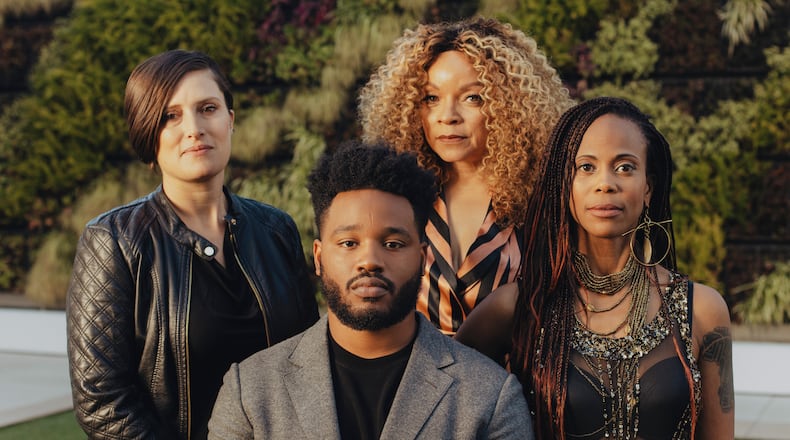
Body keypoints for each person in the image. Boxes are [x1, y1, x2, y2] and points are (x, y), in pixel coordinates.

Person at [66, 49, 319, 439]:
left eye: (208, 108)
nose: (194, 128)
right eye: (171, 115)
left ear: (230, 121)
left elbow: (309, 362)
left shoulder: (276, 230)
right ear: (148, 133)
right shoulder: (114, 241)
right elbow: (102, 400)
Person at [208, 142, 534, 439]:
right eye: (349, 243)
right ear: (319, 257)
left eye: (392, 244)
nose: (370, 261)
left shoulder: (490, 397)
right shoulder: (250, 391)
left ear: (422, 258)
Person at [455, 97, 734, 439]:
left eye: (625, 167)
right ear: (564, 185)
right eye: (585, 167)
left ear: (648, 187)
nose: (606, 183)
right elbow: (448, 399)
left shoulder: (702, 310)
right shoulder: (518, 307)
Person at [358, 17, 575, 335]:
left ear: (509, 106)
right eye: (431, 98)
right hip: (410, 382)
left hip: (516, 383)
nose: (447, 117)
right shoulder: (394, 200)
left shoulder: (545, 200)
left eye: (473, 98)